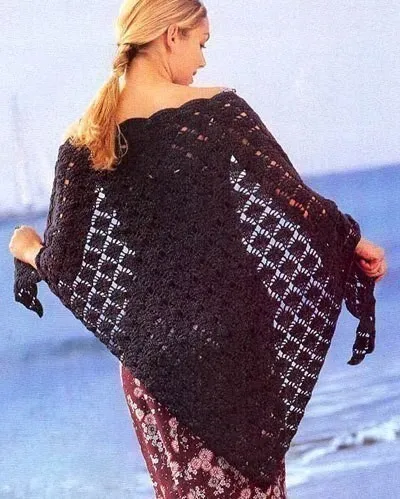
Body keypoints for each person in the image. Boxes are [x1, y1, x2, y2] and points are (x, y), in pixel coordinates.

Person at [9, 1, 387, 497]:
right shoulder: (217, 110)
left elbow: (62, 265)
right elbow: (295, 200)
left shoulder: (84, 141)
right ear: (172, 35)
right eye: (200, 43)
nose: (202, 61)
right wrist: (353, 240)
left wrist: (26, 247)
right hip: (236, 341)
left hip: (158, 364)